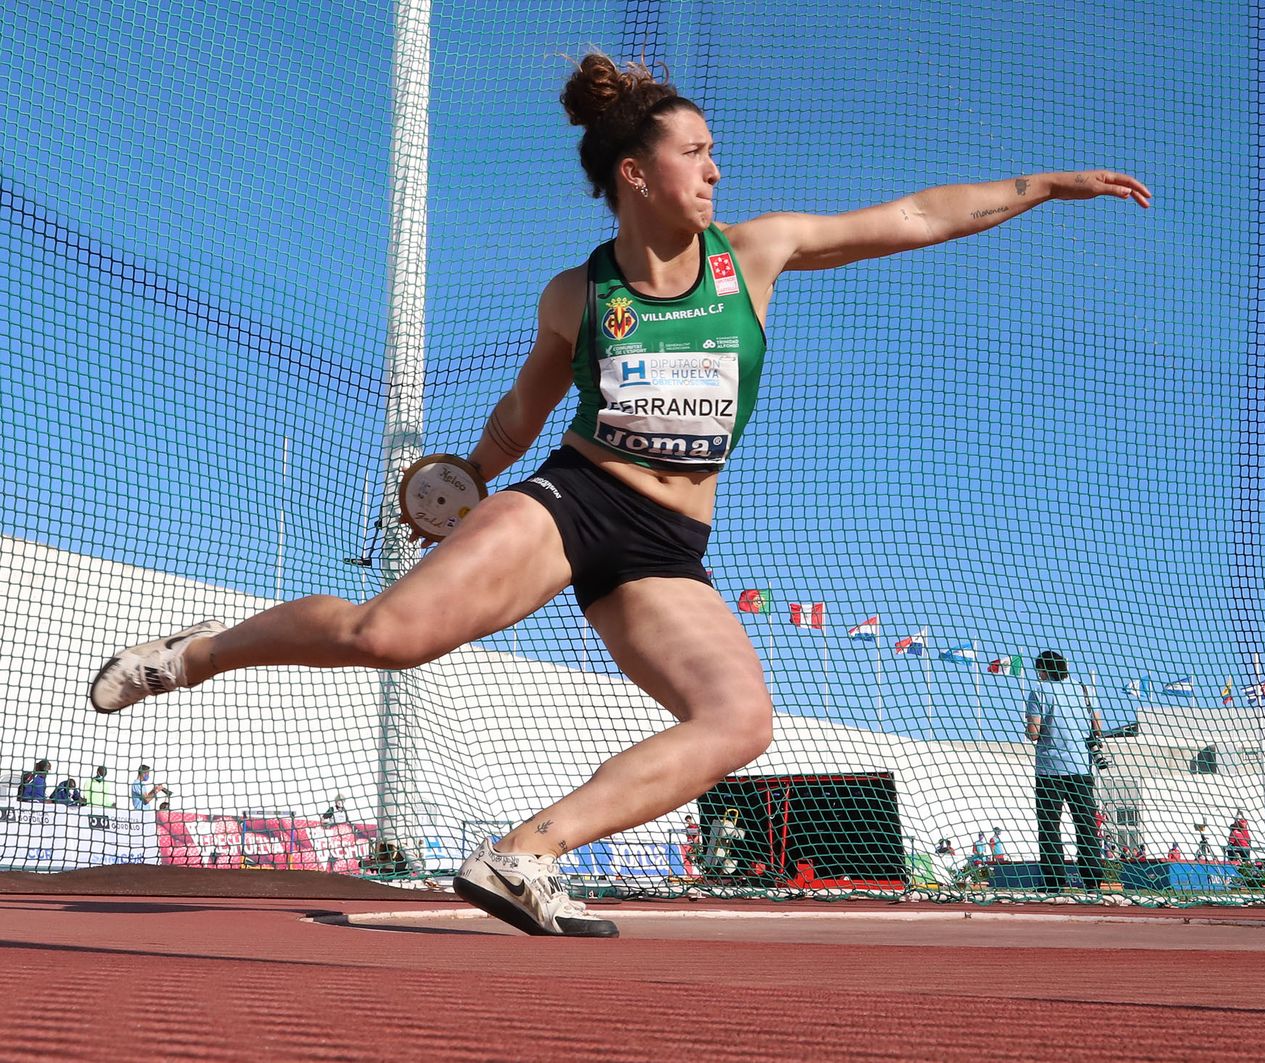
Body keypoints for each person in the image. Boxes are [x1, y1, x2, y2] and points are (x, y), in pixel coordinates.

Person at [86, 54, 1150, 937]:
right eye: (697, 153)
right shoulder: (576, 295)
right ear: (636, 172)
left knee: (738, 722)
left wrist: (1044, 187)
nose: (716, 172)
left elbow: (917, 214)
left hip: (667, 550)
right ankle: (190, 655)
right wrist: (465, 477)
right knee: (389, 633)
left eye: (715, 154)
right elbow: (517, 415)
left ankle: (523, 854)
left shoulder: (757, 254)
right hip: (571, 498)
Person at [1026, 650, 1105, 893]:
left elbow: (1034, 733)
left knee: (1050, 827)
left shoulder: (1039, 691)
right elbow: (1097, 726)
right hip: (1081, 767)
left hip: (1050, 769)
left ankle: (1054, 882)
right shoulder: (1083, 689)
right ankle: (1093, 882)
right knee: (1086, 826)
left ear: (1044, 670)